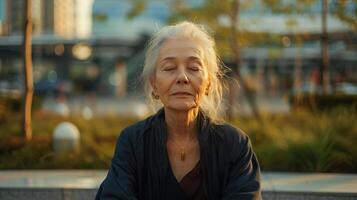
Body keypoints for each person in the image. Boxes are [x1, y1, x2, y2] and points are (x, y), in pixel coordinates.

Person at [95, 21, 261, 200]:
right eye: (169, 68)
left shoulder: (235, 144)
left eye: (193, 68)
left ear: (209, 83)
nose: (182, 77)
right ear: (154, 84)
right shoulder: (133, 142)